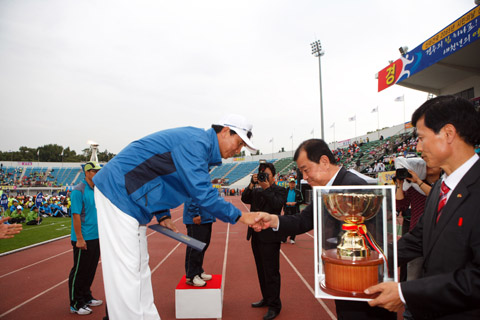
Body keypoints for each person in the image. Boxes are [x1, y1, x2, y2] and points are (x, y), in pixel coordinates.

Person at [92, 114, 264, 320]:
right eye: (238, 144)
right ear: (226, 131)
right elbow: (202, 193)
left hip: (132, 199)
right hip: (118, 191)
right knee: (126, 271)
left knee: (139, 266)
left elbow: (156, 174)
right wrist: (240, 216)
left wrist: (162, 214)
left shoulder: (201, 148)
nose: (237, 151)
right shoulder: (196, 143)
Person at [253, 139, 396, 320]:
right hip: (342, 277)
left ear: (324, 162)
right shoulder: (326, 190)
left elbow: (375, 242)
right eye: (301, 172)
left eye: (306, 170)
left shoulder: (353, 186)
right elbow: (303, 220)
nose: (303, 177)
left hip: (364, 285)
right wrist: (273, 220)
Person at [366, 95, 480, 319]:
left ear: (448, 133)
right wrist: (374, 257)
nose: (417, 147)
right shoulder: (440, 187)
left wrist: (405, 292)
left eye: (420, 138)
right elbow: (419, 238)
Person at [241, 161, 287, 320]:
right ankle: (266, 298)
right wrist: (252, 184)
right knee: (261, 270)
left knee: (271, 272)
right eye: (261, 174)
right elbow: (244, 198)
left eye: (266, 174)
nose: (263, 177)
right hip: (256, 235)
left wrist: (266, 187)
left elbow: (277, 205)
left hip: (271, 237)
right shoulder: (257, 190)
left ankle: (275, 305)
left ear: (273, 175)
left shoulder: (280, 190)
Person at [69, 161, 103, 315]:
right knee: (80, 271)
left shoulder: (96, 190)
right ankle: (76, 303)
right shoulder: (78, 191)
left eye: (98, 171)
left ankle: (86, 297)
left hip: (96, 236)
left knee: (90, 270)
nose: (97, 174)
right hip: (83, 238)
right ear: (87, 172)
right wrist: (79, 239)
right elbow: (76, 216)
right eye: (94, 171)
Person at [183, 198, 215, 287]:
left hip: (206, 217)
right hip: (197, 218)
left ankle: (198, 271)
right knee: (195, 247)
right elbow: (191, 195)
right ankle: (191, 276)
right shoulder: (194, 183)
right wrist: (195, 213)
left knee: (203, 246)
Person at [283, 177, 303, 244]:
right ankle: (284, 238)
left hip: (295, 209)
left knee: (294, 225)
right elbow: (282, 200)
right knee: (285, 224)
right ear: (289, 183)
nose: (292, 184)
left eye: (293, 183)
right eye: (291, 183)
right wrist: (285, 203)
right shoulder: (285, 191)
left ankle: (292, 238)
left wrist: (296, 203)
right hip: (287, 209)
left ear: (295, 184)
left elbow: (302, 200)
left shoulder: (298, 191)